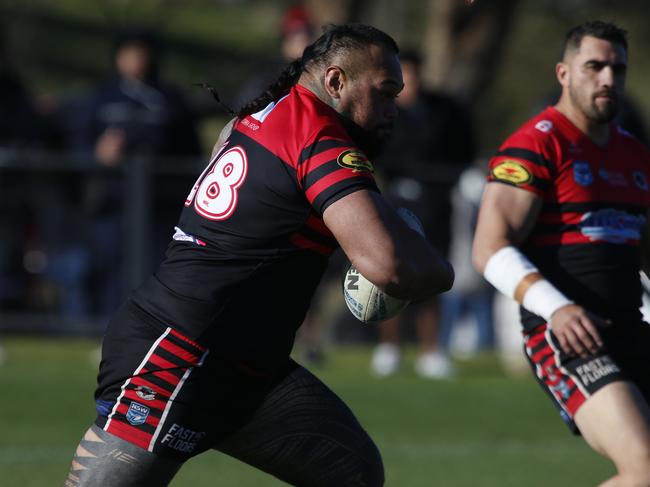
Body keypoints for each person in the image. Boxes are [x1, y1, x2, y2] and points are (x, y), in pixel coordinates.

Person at [65, 23, 453, 487]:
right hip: (181, 351)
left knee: (351, 469)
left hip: (245, 363)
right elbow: (389, 267)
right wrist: (438, 267)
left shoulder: (263, 115)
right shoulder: (318, 138)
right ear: (335, 82)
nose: (393, 110)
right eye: (385, 93)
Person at [472, 20, 650, 484]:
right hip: (566, 338)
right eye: (594, 66)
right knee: (645, 466)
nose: (608, 78)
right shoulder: (536, 145)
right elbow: (489, 249)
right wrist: (559, 309)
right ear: (564, 73)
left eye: (617, 68)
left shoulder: (636, 156)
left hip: (632, 327)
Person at [67, 27, 202, 317]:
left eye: (141, 53)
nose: (136, 60)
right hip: (113, 203)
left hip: (159, 205)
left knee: (157, 272)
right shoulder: (100, 98)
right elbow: (77, 144)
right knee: (111, 272)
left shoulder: (168, 99)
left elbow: (189, 148)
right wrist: (97, 155)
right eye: (129, 53)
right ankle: (106, 328)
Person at [370, 49, 476, 379]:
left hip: (437, 204)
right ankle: (389, 349)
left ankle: (432, 351)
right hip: (396, 200)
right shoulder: (382, 110)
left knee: (432, 275)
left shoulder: (445, 110)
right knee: (392, 275)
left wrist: (441, 177)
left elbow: (465, 151)